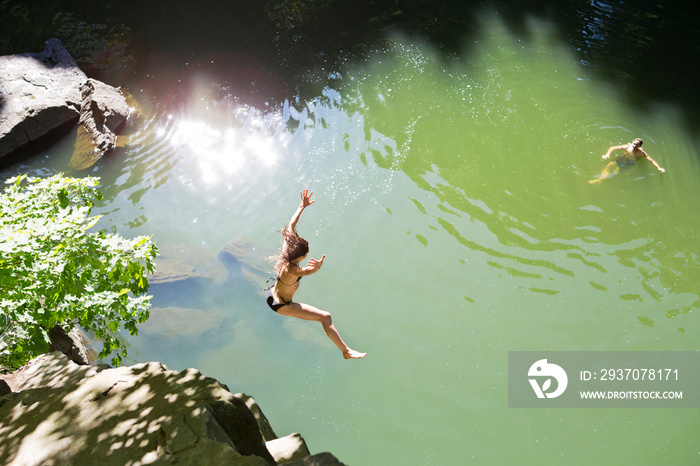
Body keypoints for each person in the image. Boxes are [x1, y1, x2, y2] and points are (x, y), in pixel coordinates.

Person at [267, 189, 366, 360]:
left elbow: (290, 226)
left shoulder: (286, 251)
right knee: (325, 317)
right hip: (281, 305)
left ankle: (346, 351)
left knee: (323, 316)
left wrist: (302, 206)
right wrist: (317, 267)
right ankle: (346, 352)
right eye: (305, 255)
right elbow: (306, 271)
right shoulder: (291, 269)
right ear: (299, 257)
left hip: (272, 294)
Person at [589, 138, 665, 184]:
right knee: (609, 165)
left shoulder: (641, 153)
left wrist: (659, 167)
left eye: (637, 145)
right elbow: (613, 148)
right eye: (634, 143)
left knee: (616, 171)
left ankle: (601, 180)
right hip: (623, 158)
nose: (635, 146)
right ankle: (600, 179)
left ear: (640, 146)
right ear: (632, 142)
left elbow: (651, 160)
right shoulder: (627, 147)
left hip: (630, 163)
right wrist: (607, 154)